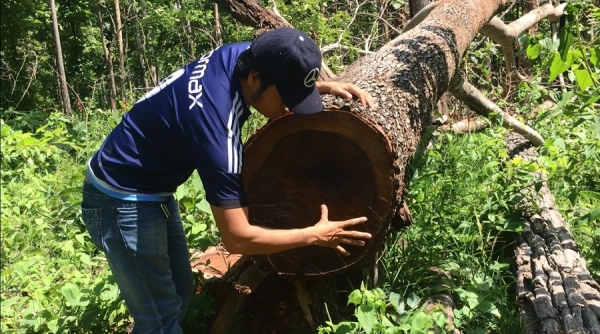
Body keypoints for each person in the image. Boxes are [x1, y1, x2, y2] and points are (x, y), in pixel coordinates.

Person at [80, 27, 374, 333]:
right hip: (120, 201)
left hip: (151, 188)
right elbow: (237, 238)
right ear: (255, 79)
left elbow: (276, 71)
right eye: (286, 96)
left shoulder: (246, 54)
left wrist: (315, 88)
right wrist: (315, 235)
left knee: (181, 290)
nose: (290, 106)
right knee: (159, 318)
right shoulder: (218, 132)